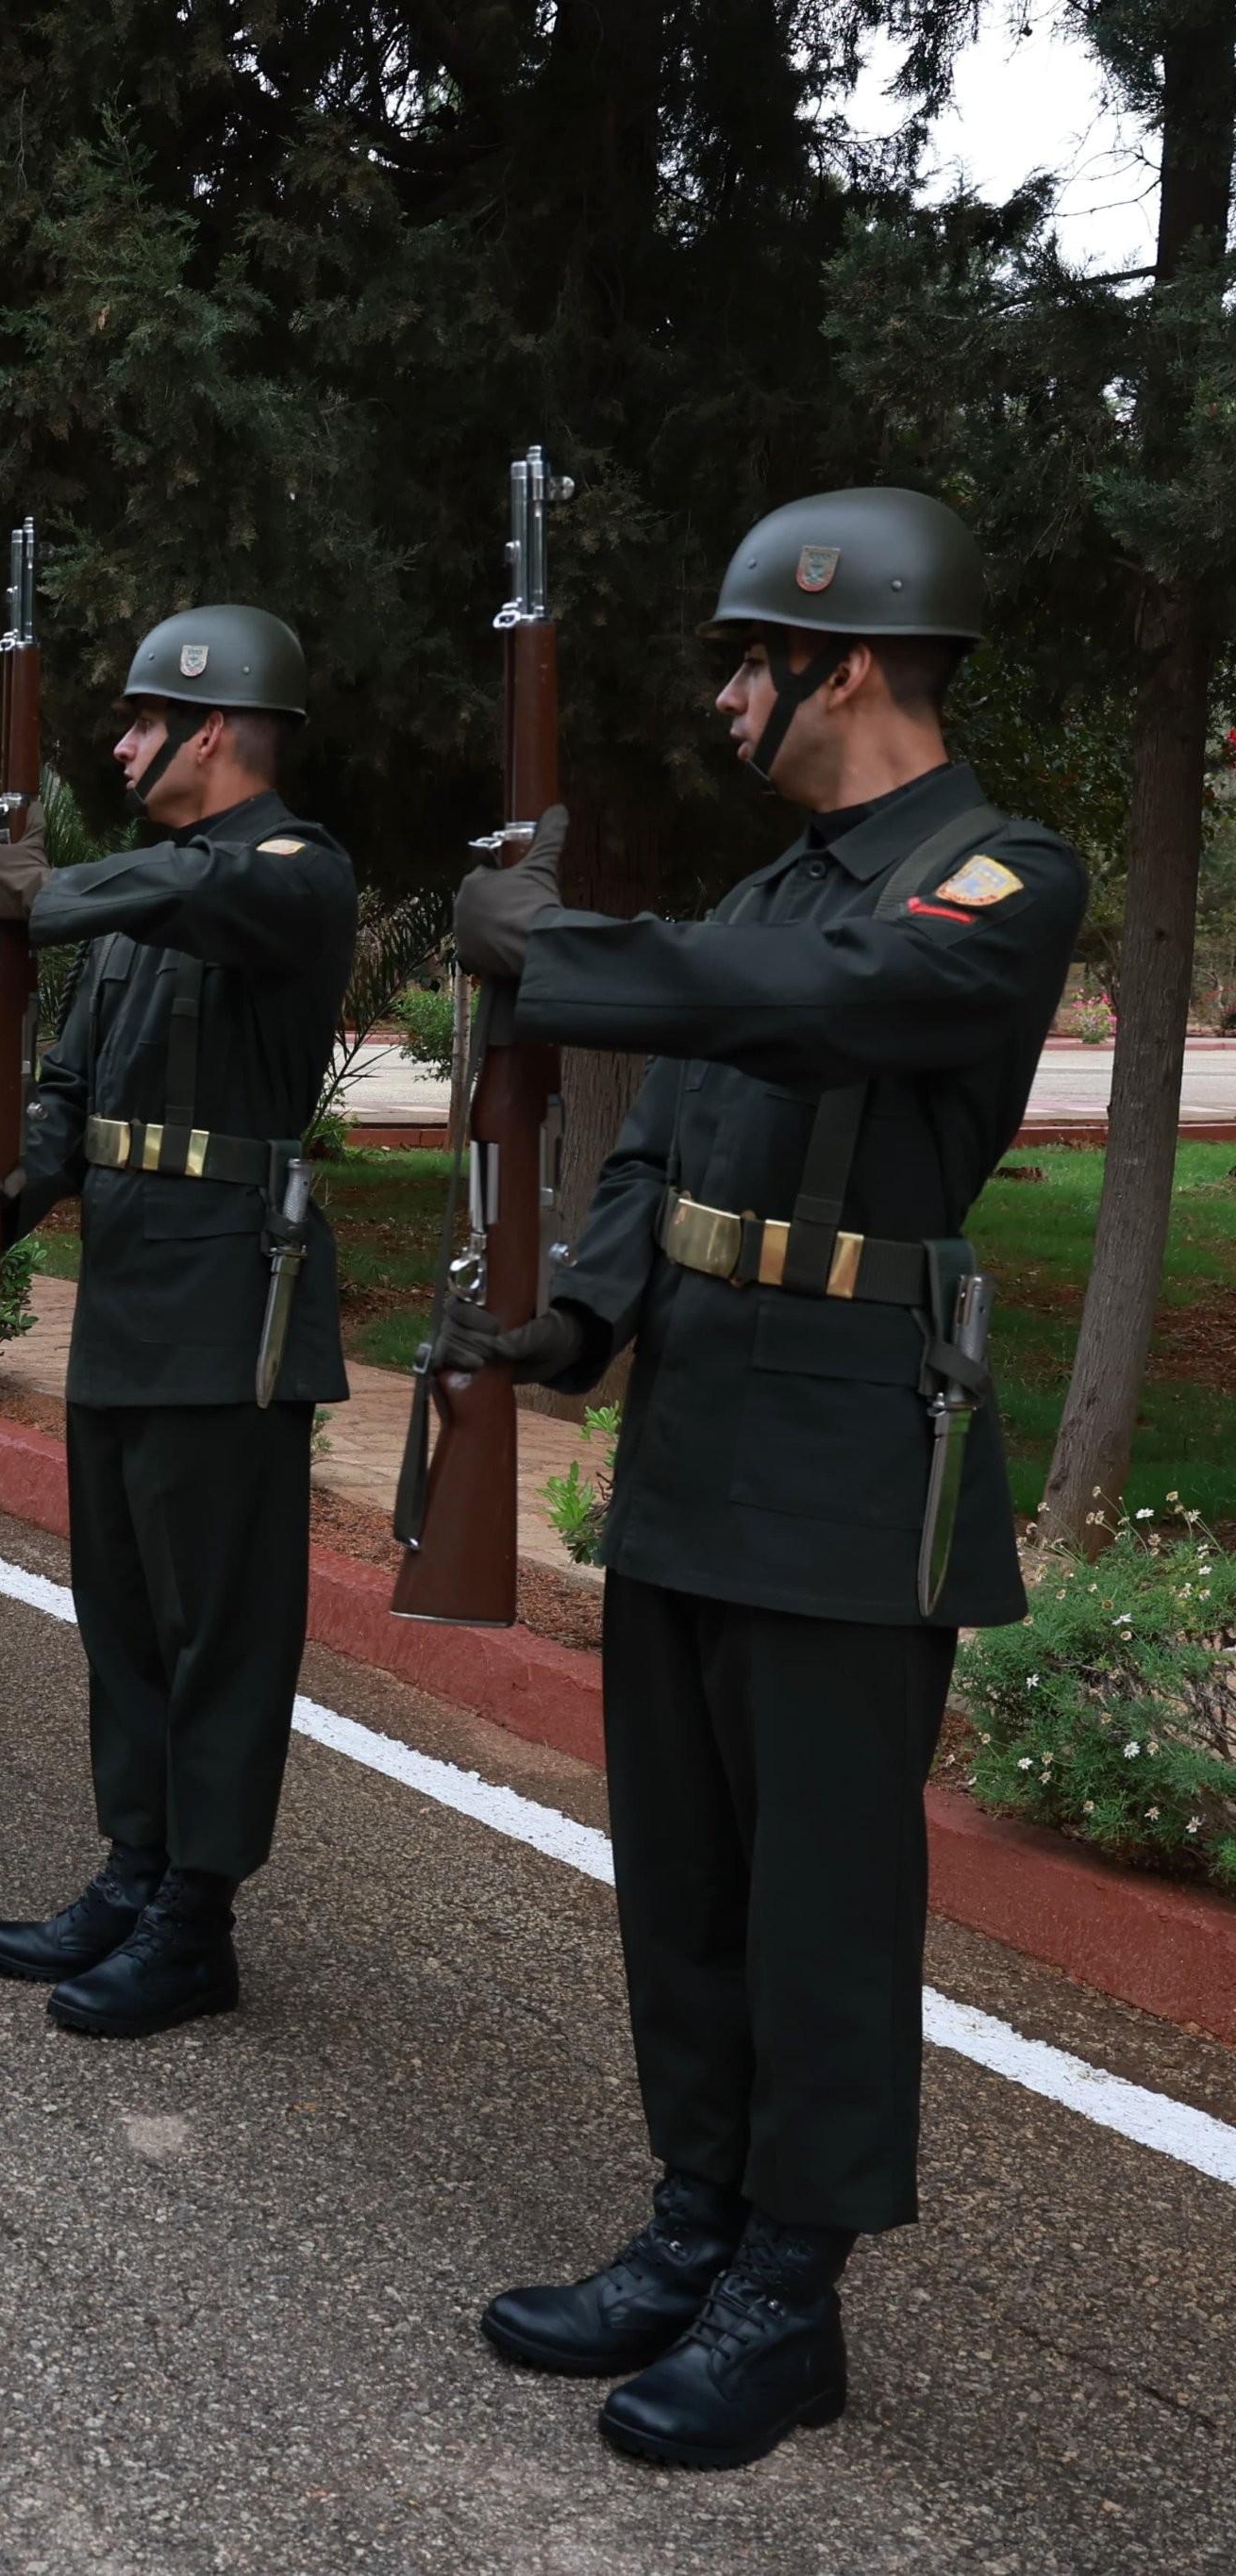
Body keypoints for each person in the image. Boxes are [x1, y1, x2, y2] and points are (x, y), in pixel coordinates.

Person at [441, 491, 1080, 2470]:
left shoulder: (993, 877)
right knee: (688, 1878)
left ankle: (786, 2294)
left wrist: (570, 957)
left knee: (815, 1894)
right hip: (701, 1422)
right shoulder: (766, 891)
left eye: (750, 662)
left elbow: (833, 1014)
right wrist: (579, 1315)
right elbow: (668, 1144)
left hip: (842, 1451)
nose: (727, 696)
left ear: (853, 662)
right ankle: (692, 2219)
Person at [0, 607, 356, 2036]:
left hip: (229, 1296)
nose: (120, 747)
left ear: (213, 731)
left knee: (220, 1627)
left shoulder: (293, 873)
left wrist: (51, 887)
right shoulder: (139, 908)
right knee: (122, 1610)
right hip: (129, 1285)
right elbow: (66, 1084)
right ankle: (133, 1870)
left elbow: (197, 893)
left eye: (138, 723)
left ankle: (199, 1915)